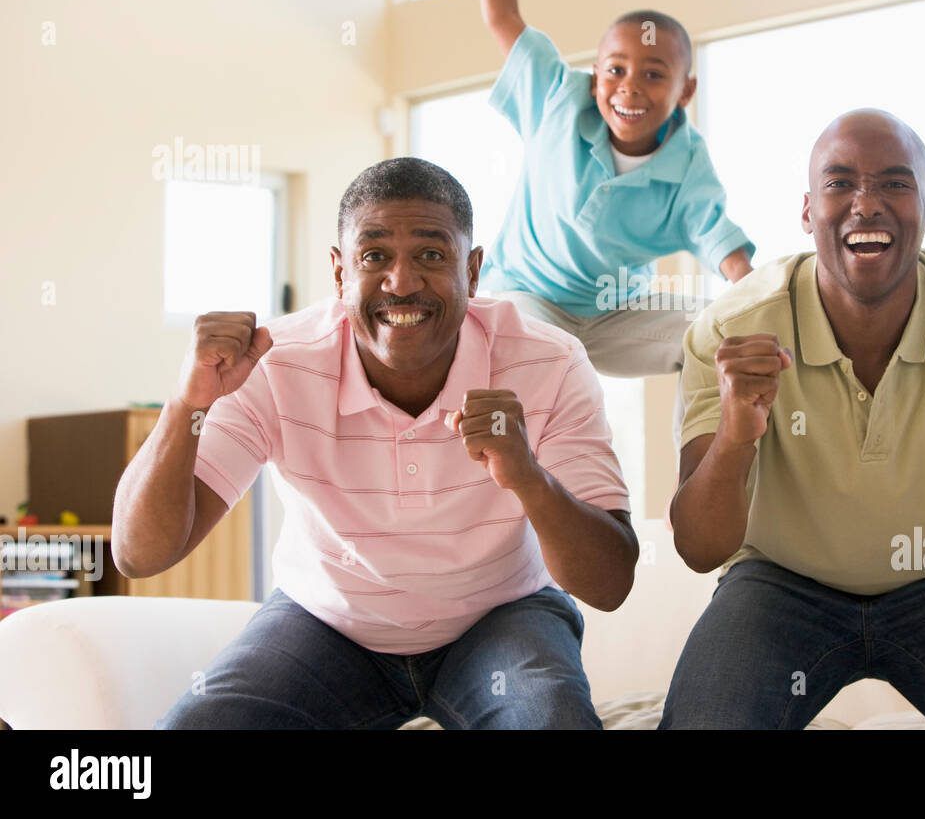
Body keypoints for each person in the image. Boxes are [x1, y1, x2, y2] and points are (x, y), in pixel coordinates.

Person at [114, 157, 638, 730]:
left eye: (432, 256)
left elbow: (609, 584)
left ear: (474, 270)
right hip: (327, 623)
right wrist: (186, 404)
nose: (402, 282)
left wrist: (528, 477)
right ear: (340, 274)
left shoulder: (549, 360)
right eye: (374, 256)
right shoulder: (274, 362)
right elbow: (140, 555)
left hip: (502, 615)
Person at [660, 109, 925, 729]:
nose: (865, 204)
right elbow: (699, 547)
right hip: (780, 583)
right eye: (839, 184)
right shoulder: (733, 328)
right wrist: (736, 434)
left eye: (895, 183)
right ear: (808, 211)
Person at [471, 0, 755, 378]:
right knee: (541, 360)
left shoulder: (687, 161)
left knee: (723, 335)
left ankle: (705, 456)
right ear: (595, 74)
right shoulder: (556, 98)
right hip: (528, 299)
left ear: (685, 91)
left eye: (653, 74)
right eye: (616, 70)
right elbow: (501, 15)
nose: (629, 87)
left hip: (617, 317)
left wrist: (754, 292)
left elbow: (719, 240)